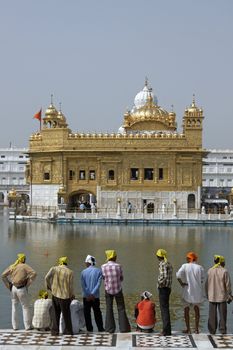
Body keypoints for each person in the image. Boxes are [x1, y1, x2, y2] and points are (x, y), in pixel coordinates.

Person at [2, 253, 37, 330]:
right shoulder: (24, 266)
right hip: (21, 288)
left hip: (13, 288)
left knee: (14, 307)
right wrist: (28, 282)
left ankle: (15, 327)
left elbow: (3, 275)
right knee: (25, 307)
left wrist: (9, 285)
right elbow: (34, 273)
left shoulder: (13, 266)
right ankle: (27, 326)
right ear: (23, 259)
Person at [101, 250, 131, 333]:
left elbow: (103, 278)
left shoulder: (103, 267)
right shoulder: (119, 266)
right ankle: (124, 328)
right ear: (114, 257)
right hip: (118, 289)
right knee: (121, 308)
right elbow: (121, 278)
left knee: (109, 308)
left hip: (108, 289)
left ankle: (110, 329)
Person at [176, 252, 204, 334]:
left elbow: (178, 276)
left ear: (189, 259)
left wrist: (182, 283)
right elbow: (202, 280)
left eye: (187, 258)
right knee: (197, 310)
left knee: (186, 310)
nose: (186, 259)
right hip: (197, 292)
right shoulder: (200, 268)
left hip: (187, 291)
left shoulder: (185, 266)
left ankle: (188, 329)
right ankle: (196, 329)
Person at [45, 256, 74, 335]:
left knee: (55, 313)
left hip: (55, 295)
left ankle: (55, 331)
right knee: (66, 314)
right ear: (66, 263)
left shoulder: (54, 269)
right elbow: (70, 286)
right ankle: (68, 331)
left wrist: (49, 286)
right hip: (65, 296)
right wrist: (71, 295)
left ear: (59, 262)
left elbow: (46, 277)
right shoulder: (70, 272)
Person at [205, 255, 232, 335]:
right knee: (223, 315)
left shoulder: (210, 271)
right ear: (222, 262)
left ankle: (212, 331)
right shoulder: (224, 271)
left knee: (212, 315)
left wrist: (207, 294)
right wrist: (230, 295)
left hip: (212, 296)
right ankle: (222, 330)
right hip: (222, 296)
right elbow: (228, 285)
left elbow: (206, 284)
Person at [81, 255, 104, 332]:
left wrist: (88, 294)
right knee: (97, 312)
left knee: (87, 313)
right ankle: (100, 328)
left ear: (88, 263)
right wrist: (93, 294)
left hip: (86, 297)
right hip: (95, 297)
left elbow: (83, 285)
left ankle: (89, 329)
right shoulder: (99, 271)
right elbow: (98, 284)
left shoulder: (83, 272)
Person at [156, 248, 173, 336]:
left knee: (164, 310)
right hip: (168, 288)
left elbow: (164, 276)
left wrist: (158, 283)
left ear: (159, 256)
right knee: (166, 308)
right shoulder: (168, 263)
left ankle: (165, 331)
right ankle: (168, 330)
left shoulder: (162, 264)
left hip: (163, 288)